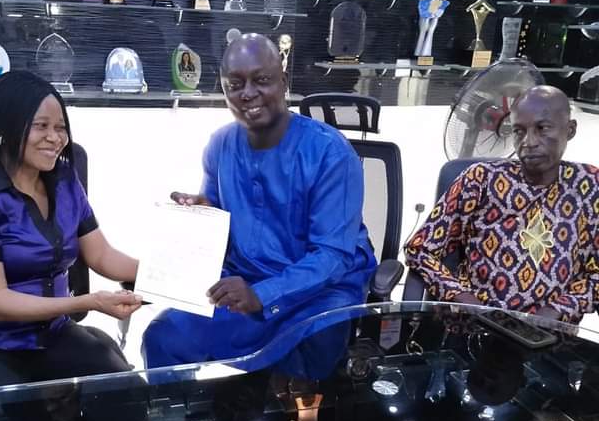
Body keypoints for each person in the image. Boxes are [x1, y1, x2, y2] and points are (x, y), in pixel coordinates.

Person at [142, 33, 377, 378]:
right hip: (243, 278)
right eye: (234, 85)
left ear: (284, 82)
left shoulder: (331, 153)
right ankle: (182, 411)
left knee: (310, 361)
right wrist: (202, 214)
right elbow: (220, 225)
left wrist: (262, 295)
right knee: (164, 337)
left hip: (318, 291)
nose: (248, 93)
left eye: (261, 80)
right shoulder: (220, 144)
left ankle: (281, 409)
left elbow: (332, 256)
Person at [0, 70, 142, 390]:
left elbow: (102, 255)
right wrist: (87, 302)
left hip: (52, 335)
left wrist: (172, 280)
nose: (55, 138)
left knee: (127, 393)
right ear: (4, 128)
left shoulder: (64, 178)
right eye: (41, 126)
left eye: (60, 128)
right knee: (19, 420)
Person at [405, 85, 599, 323]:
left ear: (570, 130)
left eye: (542, 128)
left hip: (550, 335)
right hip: (476, 326)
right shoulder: (481, 179)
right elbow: (419, 250)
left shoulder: (590, 186)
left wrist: (562, 308)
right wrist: (459, 296)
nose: (529, 142)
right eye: (518, 131)